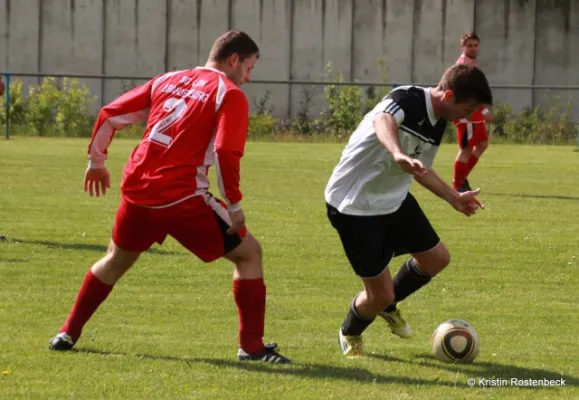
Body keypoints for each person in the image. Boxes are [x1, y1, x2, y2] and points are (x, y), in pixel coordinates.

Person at [48, 30, 291, 363]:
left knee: (115, 260)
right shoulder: (229, 93)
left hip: (137, 192)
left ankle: (67, 333)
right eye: (249, 68)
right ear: (233, 60)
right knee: (249, 254)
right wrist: (234, 207)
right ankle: (251, 348)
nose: (248, 77)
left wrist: (96, 161)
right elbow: (225, 151)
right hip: (182, 198)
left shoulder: (168, 79)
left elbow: (110, 113)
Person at [324, 63, 493, 358]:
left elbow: (421, 170)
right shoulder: (407, 98)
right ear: (449, 95)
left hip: (393, 200)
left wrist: (454, 198)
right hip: (355, 207)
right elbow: (383, 120)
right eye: (466, 110)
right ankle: (350, 331)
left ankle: (385, 306)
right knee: (380, 293)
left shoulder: (439, 122)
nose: (465, 118)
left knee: (437, 258)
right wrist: (397, 153)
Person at [452, 31, 494, 192]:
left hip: (473, 112)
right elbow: (468, 93)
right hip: (466, 111)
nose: (473, 48)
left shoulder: (472, 63)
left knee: (482, 144)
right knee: (466, 148)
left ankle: (461, 177)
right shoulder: (464, 65)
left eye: (475, 45)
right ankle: (458, 184)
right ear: (462, 47)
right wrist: (483, 110)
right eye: (469, 45)